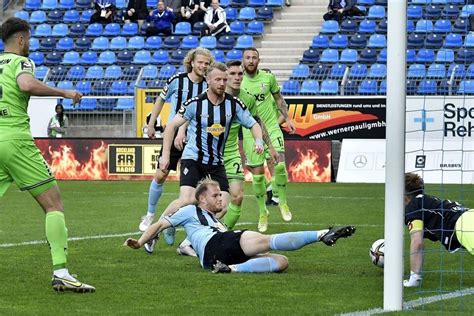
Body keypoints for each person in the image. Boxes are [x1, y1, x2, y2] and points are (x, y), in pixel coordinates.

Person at [0, 17, 94, 293]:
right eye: (28, 39)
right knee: (53, 203)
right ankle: (61, 272)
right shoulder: (21, 62)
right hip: (15, 140)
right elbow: (27, 85)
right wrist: (63, 92)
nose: (29, 44)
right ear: (21, 39)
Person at [124, 179, 356, 273]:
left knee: (281, 262)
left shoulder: (215, 220)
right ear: (202, 199)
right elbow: (159, 225)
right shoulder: (189, 211)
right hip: (215, 245)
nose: (220, 198)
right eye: (215, 196)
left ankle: (230, 270)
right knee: (266, 240)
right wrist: (140, 242)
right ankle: (322, 234)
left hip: (217, 255)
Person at [150, 62, 265, 252]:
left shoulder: (234, 105)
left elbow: (253, 124)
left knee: (223, 205)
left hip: (216, 162)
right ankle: (159, 229)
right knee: (187, 199)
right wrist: (165, 155)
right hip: (193, 158)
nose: (222, 83)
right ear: (209, 80)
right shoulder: (195, 104)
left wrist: (259, 141)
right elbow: (171, 126)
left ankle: (188, 241)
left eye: (224, 79)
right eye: (218, 79)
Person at [138, 48, 212, 238]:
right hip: (172, 137)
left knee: (196, 188)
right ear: (192, 62)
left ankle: (175, 223)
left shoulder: (207, 86)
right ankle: (149, 216)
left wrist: (184, 130)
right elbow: (160, 101)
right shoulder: (176, 80)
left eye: (206, 63)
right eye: (200, 62)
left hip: (195, 140)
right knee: (161, 173)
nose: (203, 66)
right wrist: (151, 123)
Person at [241, 47, 297, 233]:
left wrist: (287, 118)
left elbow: (279, 99)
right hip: (251, 133)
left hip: (272, 129)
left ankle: (283, 202)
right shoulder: (237, 82)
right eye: (247, 58)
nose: (250, 60)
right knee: (257, 176)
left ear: (259, 60)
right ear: (243, 60)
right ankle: (262, 212)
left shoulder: (268, 78)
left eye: (254, 58)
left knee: (279, 165)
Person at [222, 60, 278, 230]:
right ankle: (171, 223)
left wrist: (269, 146)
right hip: (206, 153)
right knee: (194, 199)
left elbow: (257, 123)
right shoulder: (211, 95)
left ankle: (218, 234)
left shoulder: (247, 98)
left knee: (237, 197)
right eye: (232, 74)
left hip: (230, 154)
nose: (237, 77)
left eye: (240, 74)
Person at [403, 173, 474, 287]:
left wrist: (414, 278)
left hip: (465, 226)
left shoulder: (413, 206)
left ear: (404, 197)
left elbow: (417, 242)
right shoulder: (428, 200)